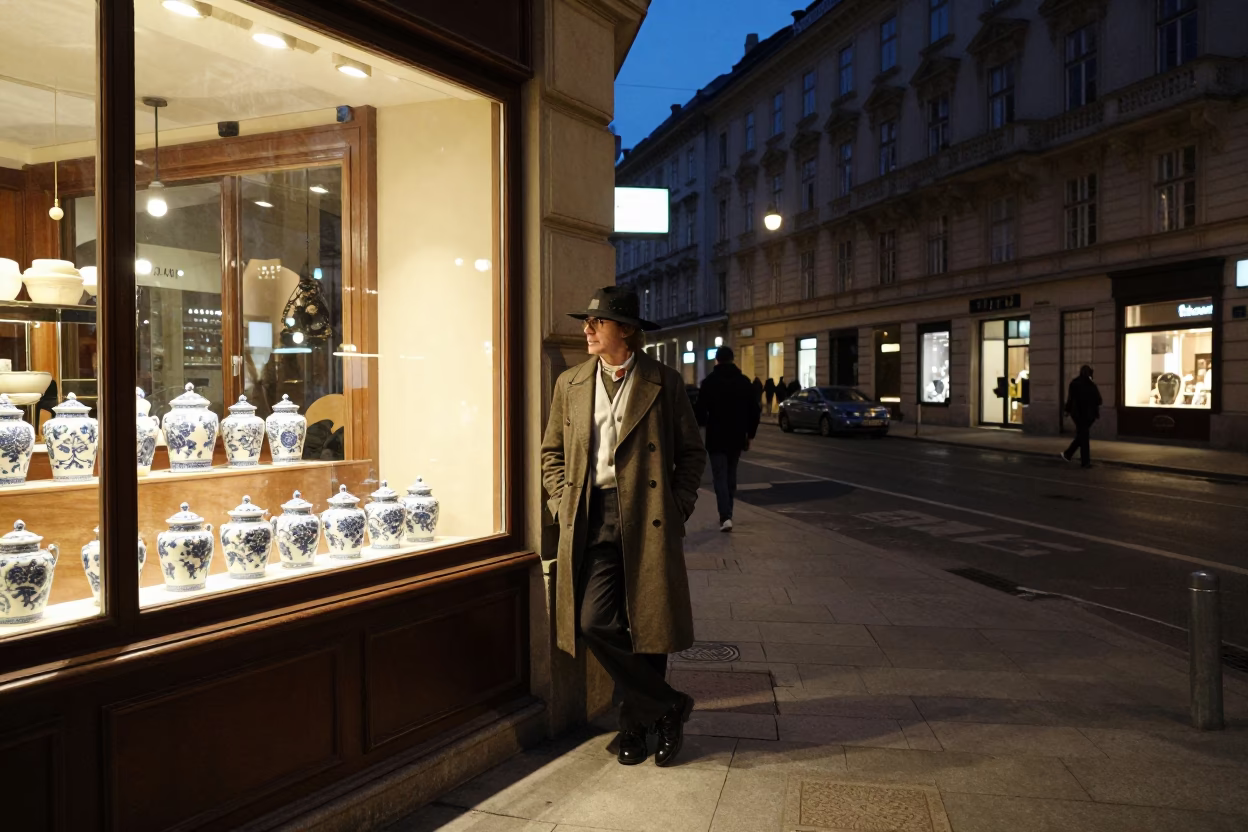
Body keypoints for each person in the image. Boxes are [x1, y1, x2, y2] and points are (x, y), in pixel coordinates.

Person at [541, 286, 706, 768]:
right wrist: (559, 501)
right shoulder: (570, 384)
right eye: (588, 321)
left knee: (649, 624)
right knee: (595, 621)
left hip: (648, 514)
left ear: (627, 331)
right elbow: (552, 451)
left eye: (599, 322)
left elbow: (692, 453)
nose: (587, 329)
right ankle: (667, 705)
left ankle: (636, 724)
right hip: (591, 515)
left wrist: (678, 505)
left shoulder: (663, 381)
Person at [696, 346, 761, 532]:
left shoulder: (709, 382)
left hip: (716, 436)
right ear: (733, 360)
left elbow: (700, 412)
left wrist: (703, 424)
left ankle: (724, 515)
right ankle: (728, 513)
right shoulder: (743, 382)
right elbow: (754, 411)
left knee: (719, 476)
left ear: (717, 360)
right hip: (737, 436)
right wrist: (750, 434)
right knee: (731, 475)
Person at [1062, 364, 1101, 468]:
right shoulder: (1091, 385)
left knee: (1082, 436)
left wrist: (1067, 410)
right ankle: (1083, 461)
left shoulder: (1074, 383)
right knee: (1084, 436)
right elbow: (1099, 400)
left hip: (1077, 415)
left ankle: (1069, 454)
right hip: (1089, 415)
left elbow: (1070, 399)